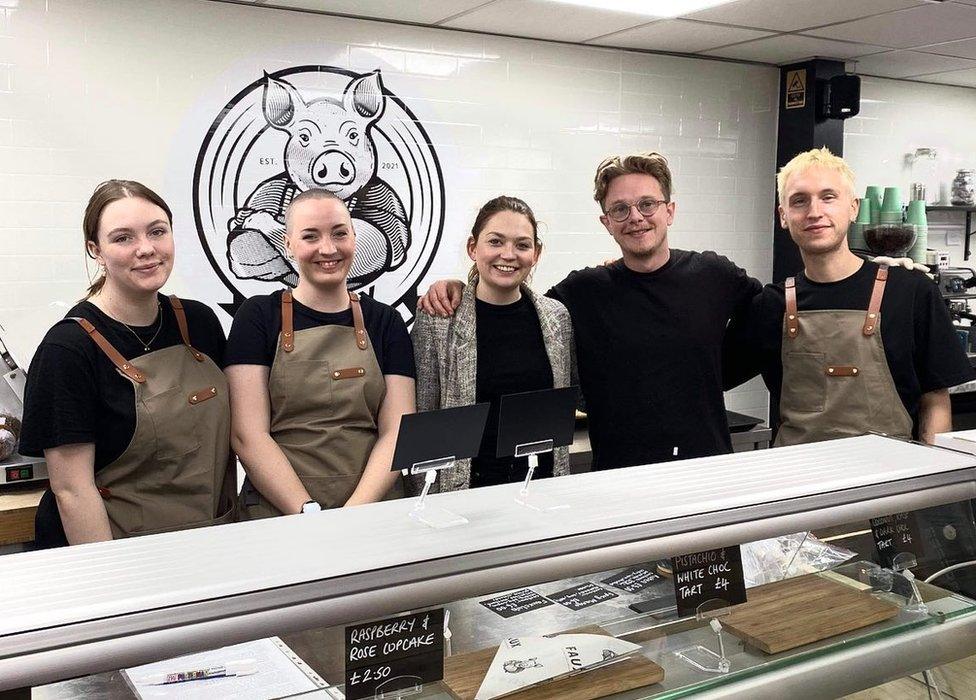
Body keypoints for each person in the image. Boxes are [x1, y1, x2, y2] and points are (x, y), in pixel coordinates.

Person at [419, 153, 761, 470]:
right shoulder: (584, 292)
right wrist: (461, 289)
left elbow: (768, 322)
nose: (636, 218)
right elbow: (515, 306)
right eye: (620, 209)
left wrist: (714, 372)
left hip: (706, 474)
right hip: (617, 481)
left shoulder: (714, 275)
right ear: (606, 221)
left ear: (669, 210)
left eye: (647, 204)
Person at [20, 180, 237, 548]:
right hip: (119, 553)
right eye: (123, 238)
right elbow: (72, 490)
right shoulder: (68, 350)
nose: (146, 249)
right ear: (96, 250)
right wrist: (117, 587)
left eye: (157, 231)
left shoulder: (200, 323)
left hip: (206, 540)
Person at [724, 147, 975, 445]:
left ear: (853, 208)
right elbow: (707, 374)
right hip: (800, 482)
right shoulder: (771, 305)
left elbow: (935, 400)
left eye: (828, 197)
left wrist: (930, 479)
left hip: (894, 482)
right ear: (783, 216)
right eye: (799, 201)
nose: (815, 212)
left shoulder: (910, 292)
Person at [225, 189, 415, 518]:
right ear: (287, 243)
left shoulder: (385, 321)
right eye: (310, 236)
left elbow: (398, 432)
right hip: (279, 515)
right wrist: (306, 512)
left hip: (373, 513)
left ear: (354, 237)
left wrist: (353, 514)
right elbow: (248, 436)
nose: (328, 248)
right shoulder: (258, 317)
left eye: (339, 233)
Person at [411, 196, 574, 491]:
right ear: (473, 248)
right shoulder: (438, 319)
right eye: (496, 242)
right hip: (465, 494)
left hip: (541, 488)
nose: (508, 254)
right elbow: (422, 415)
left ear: (536, 253)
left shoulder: (557, 317)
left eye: (522, 245)